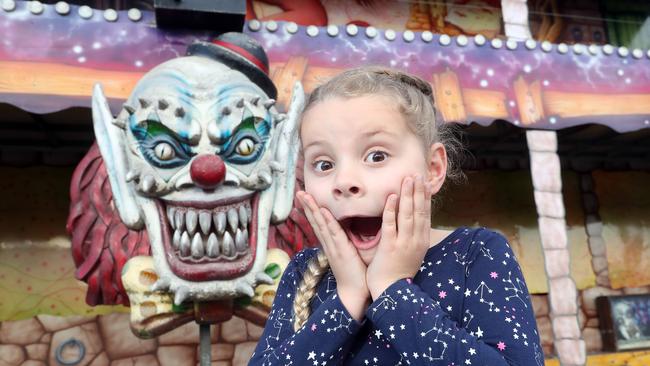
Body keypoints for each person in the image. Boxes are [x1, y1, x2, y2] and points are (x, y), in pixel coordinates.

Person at [249, 67, 543, 365]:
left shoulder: (476, 253)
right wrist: (348, 297)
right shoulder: (303, 271)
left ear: (433, 169)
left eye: (376, 156)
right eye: (323, 164)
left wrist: (391, 289)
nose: (343, 181)